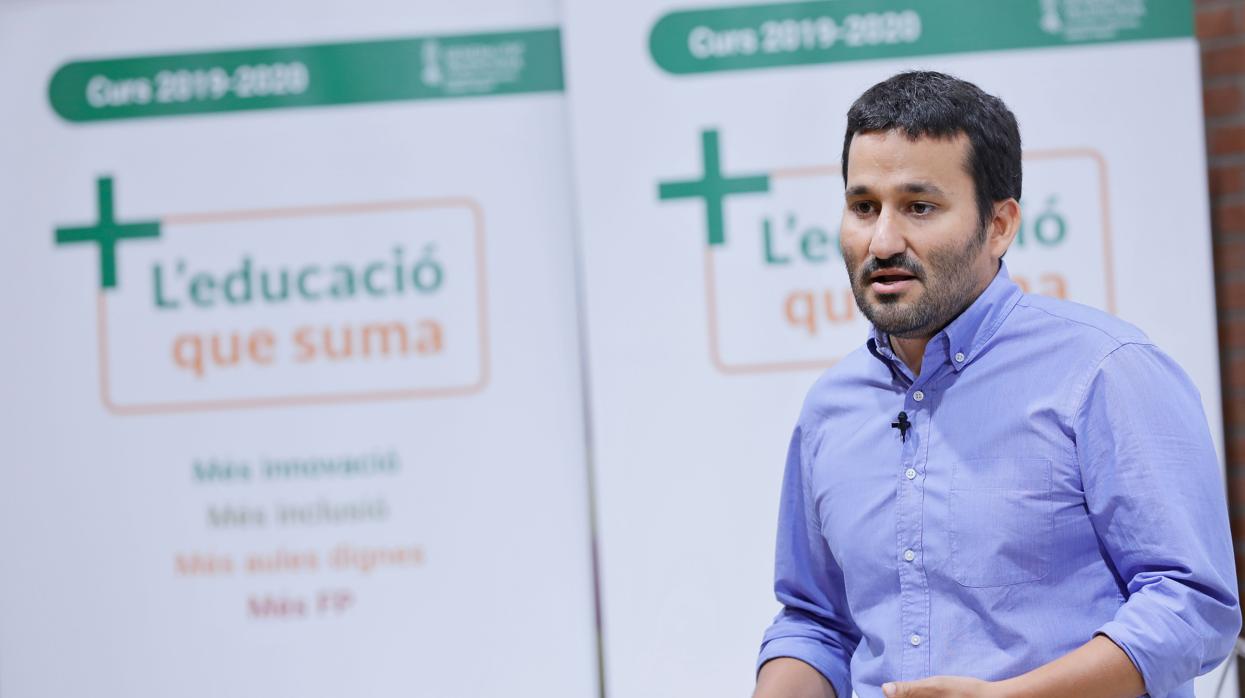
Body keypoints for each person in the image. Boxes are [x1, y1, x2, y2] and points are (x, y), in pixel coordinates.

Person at [752, 71, 1241, 698]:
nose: (883, 240)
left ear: (1000, 224)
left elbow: (1192, 606)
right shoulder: (831, 407)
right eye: (863, 206)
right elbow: (816, 623)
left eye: (919, 207)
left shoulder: (1106, 372)